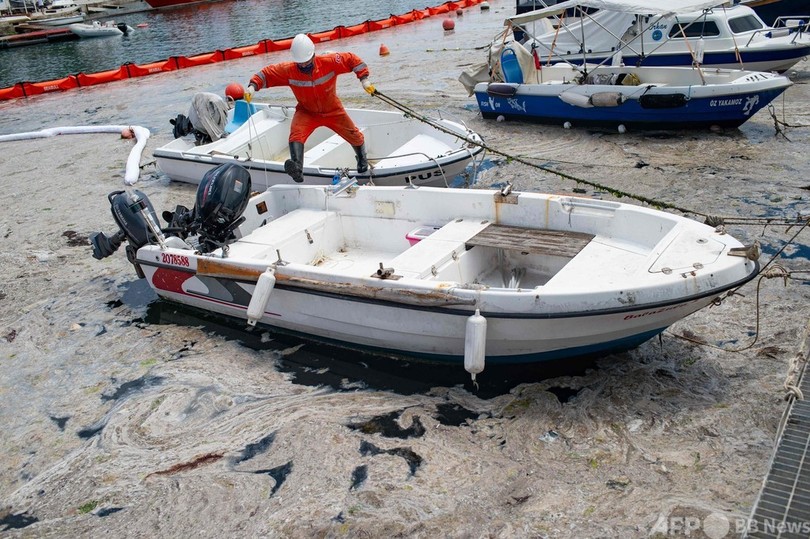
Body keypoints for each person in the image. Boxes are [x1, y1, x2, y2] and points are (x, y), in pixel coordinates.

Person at [244, 33, 376, 183]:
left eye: (307, 62)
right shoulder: (289, 70)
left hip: (332, 110)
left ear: (313, 55)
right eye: (301, 64)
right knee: (296, 135)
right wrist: (252, 87)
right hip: (307, 112)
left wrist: (364, 80)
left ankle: (362, 160)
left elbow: (353, 60)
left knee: (354, 135)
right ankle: (297, 169)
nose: (304, 66)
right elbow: (266, 74)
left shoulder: (329, 62)